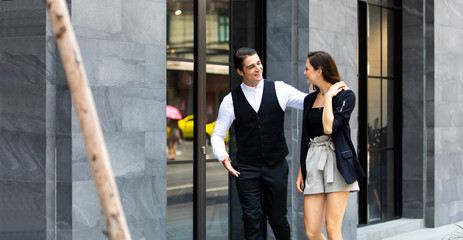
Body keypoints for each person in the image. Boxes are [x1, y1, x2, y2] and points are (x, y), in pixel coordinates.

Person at [211, 47, 307, 240]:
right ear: (240, 71)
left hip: (276, 166)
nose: (258, 68)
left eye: (259, 63)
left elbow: (308, 102)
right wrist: (222, 156)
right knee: (251, 218)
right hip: (246, 168)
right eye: (251, 66)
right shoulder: (230, 101)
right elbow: (217, 134)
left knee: (278, 219)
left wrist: (331, 93)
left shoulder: (279, 89)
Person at [296, 51, 365, 240]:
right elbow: (305, 136)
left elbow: (329, 127)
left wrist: (328, 97)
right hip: (313, 160)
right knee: (312, 231)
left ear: (319, 71)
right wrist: (302, 169)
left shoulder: (346, 96)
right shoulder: (309, 99)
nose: (304, 73)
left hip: (337, 162)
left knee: (333, 228)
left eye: (307, 69)